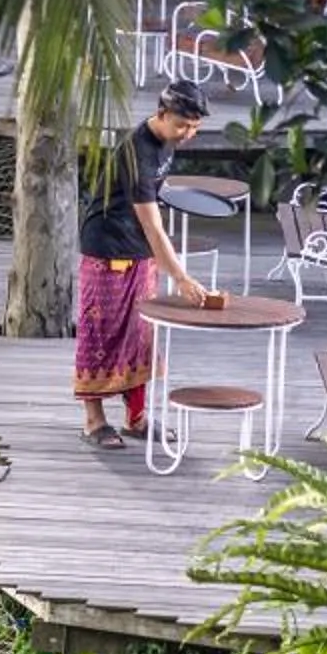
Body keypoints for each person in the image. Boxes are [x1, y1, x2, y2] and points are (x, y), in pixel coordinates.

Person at [75, 80, 213, 449]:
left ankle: (136, 419)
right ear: (161, 114)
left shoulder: (167, 140)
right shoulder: (137, 151)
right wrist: (181, 278)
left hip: (139, 250)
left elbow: (152, 204)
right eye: (182, 125)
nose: (188, 134)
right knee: (101, 333)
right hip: (106, 249)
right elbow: (152, 225)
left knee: (140, 335)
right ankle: (93, 421)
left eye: (195, 127)